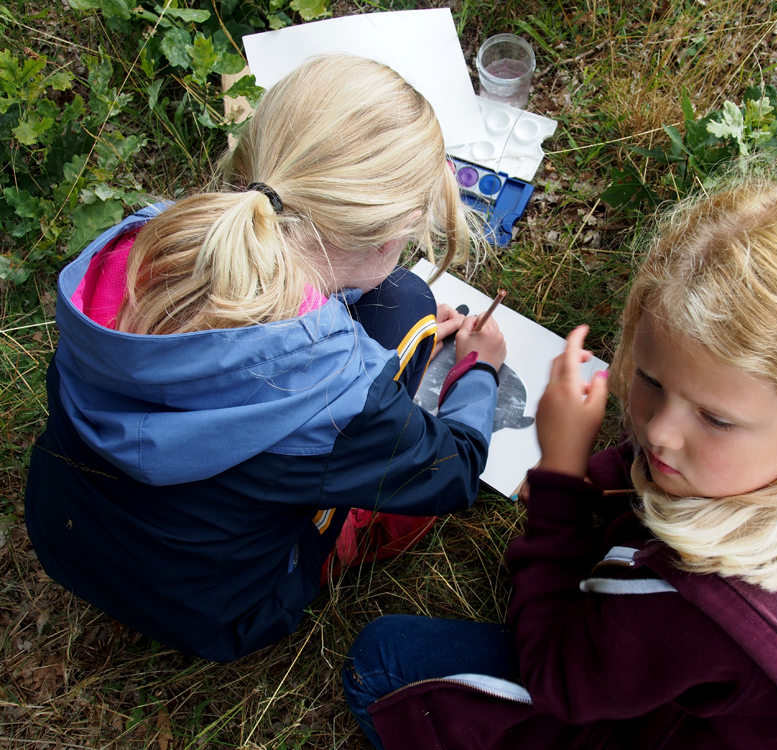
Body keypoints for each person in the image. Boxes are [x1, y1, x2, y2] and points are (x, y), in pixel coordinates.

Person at [341, 180, 777, 749]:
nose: (659, 431)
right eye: (649, 379)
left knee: (382, 664)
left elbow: (559, 677)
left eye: (716, 419)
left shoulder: (686, 599)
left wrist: (563, 476)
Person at [24, 55, 506, 664]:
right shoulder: (335, 397)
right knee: (407, 302)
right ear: (396, 231)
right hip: (222, 613)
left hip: (65, 536)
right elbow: (456, 471)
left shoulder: (145, 242)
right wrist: (479, 371)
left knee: (398, 303)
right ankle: (351, 530)